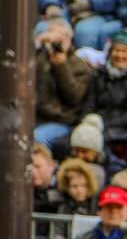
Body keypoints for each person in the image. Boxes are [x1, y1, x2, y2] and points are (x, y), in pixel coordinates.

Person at [82, 28, 127, 163]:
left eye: (124, 51)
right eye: (116, 50)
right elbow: (89, 103)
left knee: (98, 140)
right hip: (97, 123)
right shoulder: (99, 74)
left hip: (122, 129)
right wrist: (88, 120)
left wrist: (102, 124)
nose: (120, 55)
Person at [33, 20, 94, 152]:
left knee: (35, 137)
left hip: (60, 121)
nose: (57, 41)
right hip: (34, 116)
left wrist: (61, 67)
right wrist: (38, 42)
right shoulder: (40, 58)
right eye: (52, 35)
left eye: (61, 36)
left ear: (69, 38)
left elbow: (74, 98)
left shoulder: (79, 65)